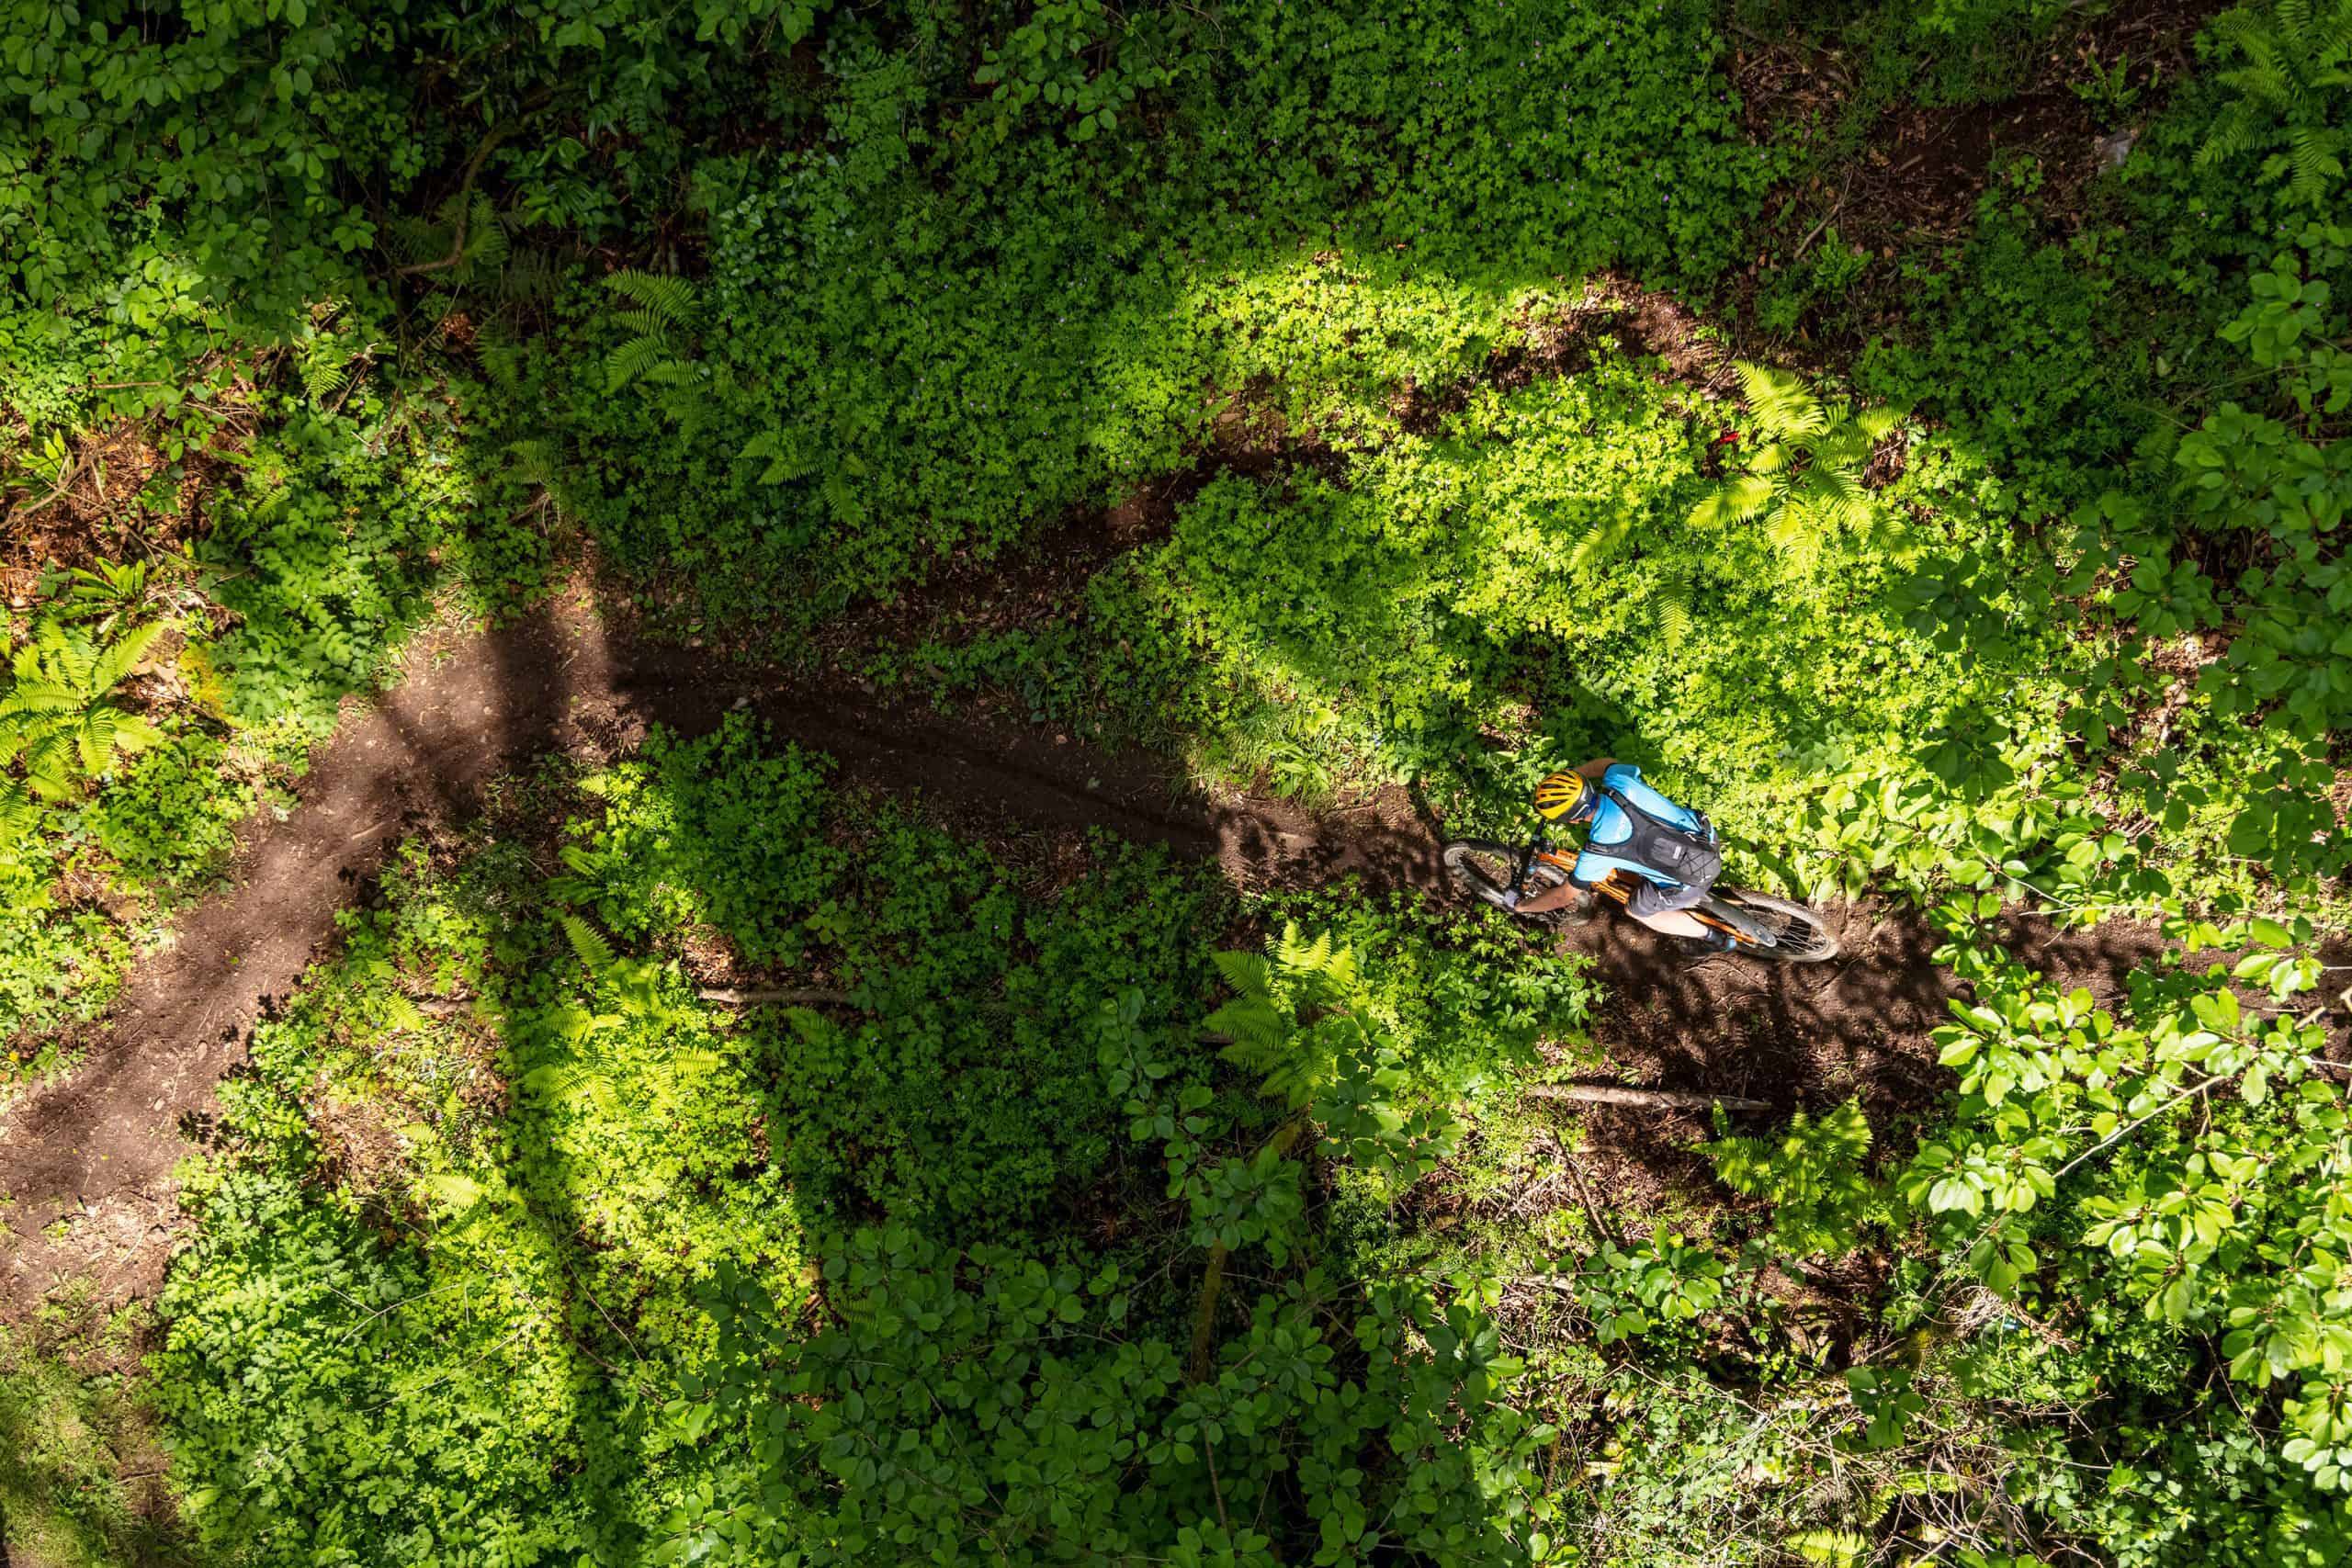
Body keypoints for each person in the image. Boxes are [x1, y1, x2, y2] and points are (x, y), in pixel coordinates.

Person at [1507, 758, 1729, 944]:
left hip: (1690, 882)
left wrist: (1522, 906)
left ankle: (1713, 938)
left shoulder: (1600, 848)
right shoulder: (1621, 783)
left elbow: (1562, 897)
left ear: (1573, 820)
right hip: (1706, 837)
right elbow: (1607, 763)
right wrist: (1572, 776)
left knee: (1638, 911)